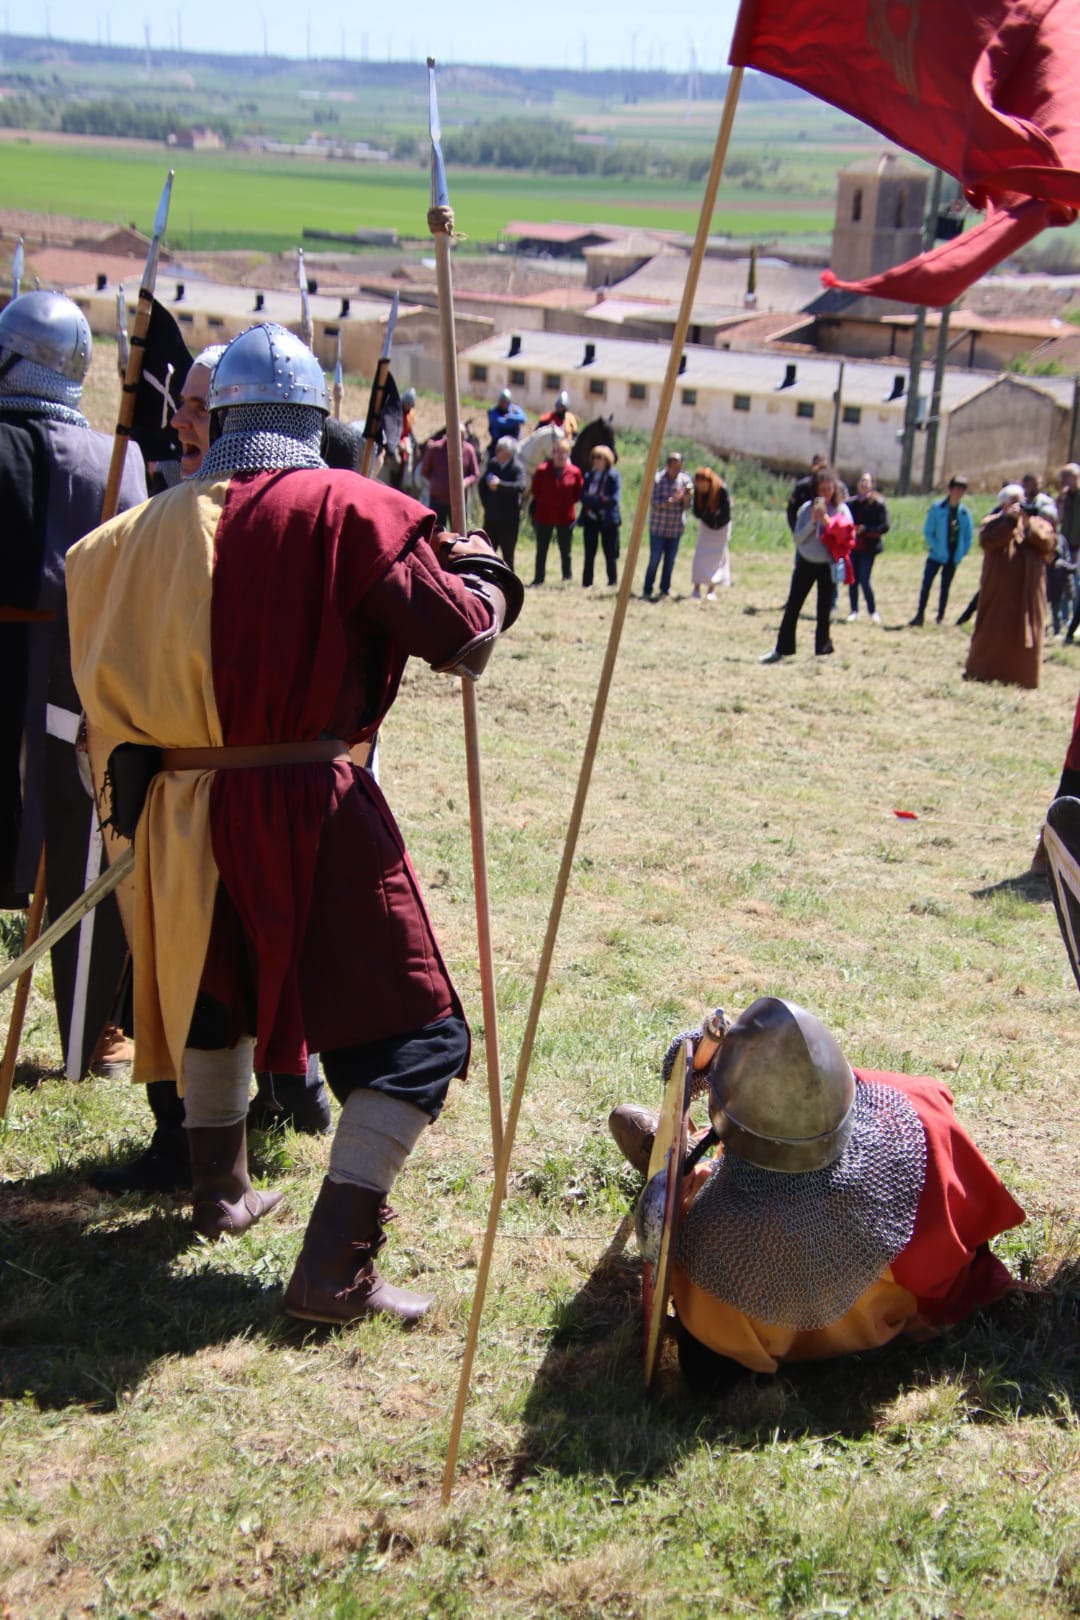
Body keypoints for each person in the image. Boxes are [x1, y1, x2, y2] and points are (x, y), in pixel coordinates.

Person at [66, 323, 521, 1325]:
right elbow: (459, 638)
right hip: (309, 807)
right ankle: (333, 1273)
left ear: (218, 418)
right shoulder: (348, 509)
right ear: (315, 423)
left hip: (180, 811)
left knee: (211, 990)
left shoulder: (134, 535)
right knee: (418, 1037)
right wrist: (485, 572)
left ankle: (220, 1191)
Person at [87, 342, 336, 1198]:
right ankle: (183, 1140)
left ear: (240, 419)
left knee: (265, 944)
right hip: (174, 792)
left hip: (273, 782)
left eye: (200, 406)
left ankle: (290, 1086)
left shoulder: (281, 521)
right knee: (178, 958)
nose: (181, 420)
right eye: (180, 404)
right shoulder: (148, 529)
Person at [609, 996, 1025, 1391]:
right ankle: (692, 1160)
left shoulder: (714, 1246)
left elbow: (705, 1375)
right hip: (884, 1305)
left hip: (766, 1296)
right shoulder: (914, 1119)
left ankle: (685, 1163)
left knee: (708, 1336)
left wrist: (677, 1200)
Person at [0, 290, 147, 1082]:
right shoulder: (113, 462)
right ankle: (92, 1036)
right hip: (77, 683)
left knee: (83, 852)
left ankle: (94, 1031)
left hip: (47, 681)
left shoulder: (111, 462)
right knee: (80, 852)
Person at [964, 484, 1057, 689]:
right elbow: (988, 542)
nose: (1018, 505)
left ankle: (1024, 677)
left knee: (1027, 633)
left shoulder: (1038, 524)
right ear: (1003, 504)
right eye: (1013, 501)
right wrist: (1009, 522)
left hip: (1029, 593)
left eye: (1021, 501)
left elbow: (1048, 544)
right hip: (999, 593)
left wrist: (1027, 524)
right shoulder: (992, 522)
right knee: (993, 631)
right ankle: (983, 672)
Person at [761, 464, 852, 662]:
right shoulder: (806, 509)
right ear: (816, 489)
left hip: (828, 565)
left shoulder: (841, 510)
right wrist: (812, 522)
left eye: (830, 489)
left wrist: (829, 523)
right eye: (822, 489)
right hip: (806, 562)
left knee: (823, 610)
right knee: (793, 606)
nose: (826, 493)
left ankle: (823, 650)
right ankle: (782, 649)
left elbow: (847, 538)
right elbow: (798, 538)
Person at [910, 475, 972, 627]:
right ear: (950, 489)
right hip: (936, 554)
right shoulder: (937, 509)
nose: (958, 492)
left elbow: (968, 536)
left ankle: (940, 616)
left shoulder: (964, 513)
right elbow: (928, 532)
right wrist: (937, 547)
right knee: (927, 584)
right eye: (956, 488)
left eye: (962, 489)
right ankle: (920, 614)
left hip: (953, 554)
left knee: (946, 586)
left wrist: (962, 552)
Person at [530, 438, 583, 585]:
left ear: (568, 454)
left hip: (565, 517)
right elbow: (536, 491)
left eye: (564, 452)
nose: (560, 455)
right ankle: (538, 579)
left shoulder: (575, 472)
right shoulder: (541, 470)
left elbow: (577, 494)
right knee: (541, 550)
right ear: (552, 454)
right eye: (557, 452)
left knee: (566, 550)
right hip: (544, 515)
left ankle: (567, 577)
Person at [643, 451, 694, 600]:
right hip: (658, 527)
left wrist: (685, 498)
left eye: (680, 467)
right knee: (654, 559)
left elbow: (687, 506)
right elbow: (654, 502)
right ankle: (647, 589)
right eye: (675, 467)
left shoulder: (684, 481)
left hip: (675, 528)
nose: (678, 470)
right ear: (668, 466)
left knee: (670, 561)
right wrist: (670, 501)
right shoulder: (658, 479)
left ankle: (664, 589)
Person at [478, 434, 526, 573]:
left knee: (508, 556)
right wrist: (486, 504)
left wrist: (500, 485)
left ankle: (510, 586)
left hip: (509, 520)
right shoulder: (492, 464)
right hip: (491, 518)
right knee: (486, 553)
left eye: (500, 449)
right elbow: (482, 486)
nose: (497, 451)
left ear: (508, 453)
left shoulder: (517, 467)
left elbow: (521, 486)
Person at [846, 469, 889, 623]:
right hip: (852, 547)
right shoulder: (850, 503)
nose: (864, 483)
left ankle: (872, 610)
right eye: (861, 480)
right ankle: (854, 610)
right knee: (852, 580)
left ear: (872, 485)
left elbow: (884, 526)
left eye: (867, 481)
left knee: (864, 579)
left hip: (868, 548)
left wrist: (866, 529)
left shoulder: (878, 504)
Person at [578, 444, 621, 588]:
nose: (596, 460)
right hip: (591, 519)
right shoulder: (589, 476)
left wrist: (595, 500)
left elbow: (613, 500)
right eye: (594, 457)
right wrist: (600, 500)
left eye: (600, 457)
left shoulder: (613, 476)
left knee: (610, 553)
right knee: (589, 553)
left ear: (607, 459)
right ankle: (587, 582)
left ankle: (612, 581)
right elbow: (583, 497)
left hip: (608, 520)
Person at [419, 424, 479, 528]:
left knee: (459, 534)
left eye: (462, 436)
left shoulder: (469, 451)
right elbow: (425, 471)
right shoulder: (435, 449)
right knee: (437, 533)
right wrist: (437, 483)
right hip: (437, 500)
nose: (459, 439)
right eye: (456, 435)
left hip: (459, 501)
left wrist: (465, 482)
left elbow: (475, 474)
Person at [690, 466, 732, 598]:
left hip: (721, 527)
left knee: (717, 557)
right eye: (699, 486)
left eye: (704, 486)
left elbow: (726, 513)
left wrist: (715, 521)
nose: (702, 489)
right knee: (700, 556)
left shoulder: (721, 490)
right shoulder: (698, 492)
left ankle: (711, 589)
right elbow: (697, 511)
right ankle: (696, 588)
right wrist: (707, 517)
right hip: (706, 526)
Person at [786, 454, 826, 534]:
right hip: (806, 528)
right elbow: (791, 510)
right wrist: (796, 529)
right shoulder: (803, 486)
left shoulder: (833, 487)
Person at [486, 387, 527, 453]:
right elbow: (499, 421)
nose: (503, 404)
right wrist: (513, 421)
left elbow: (523, 419)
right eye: (502, 401)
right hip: (498, 442)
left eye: (506, 402)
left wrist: (510, 417)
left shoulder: (514, 409)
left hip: (515, 441)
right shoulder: (493, 411)